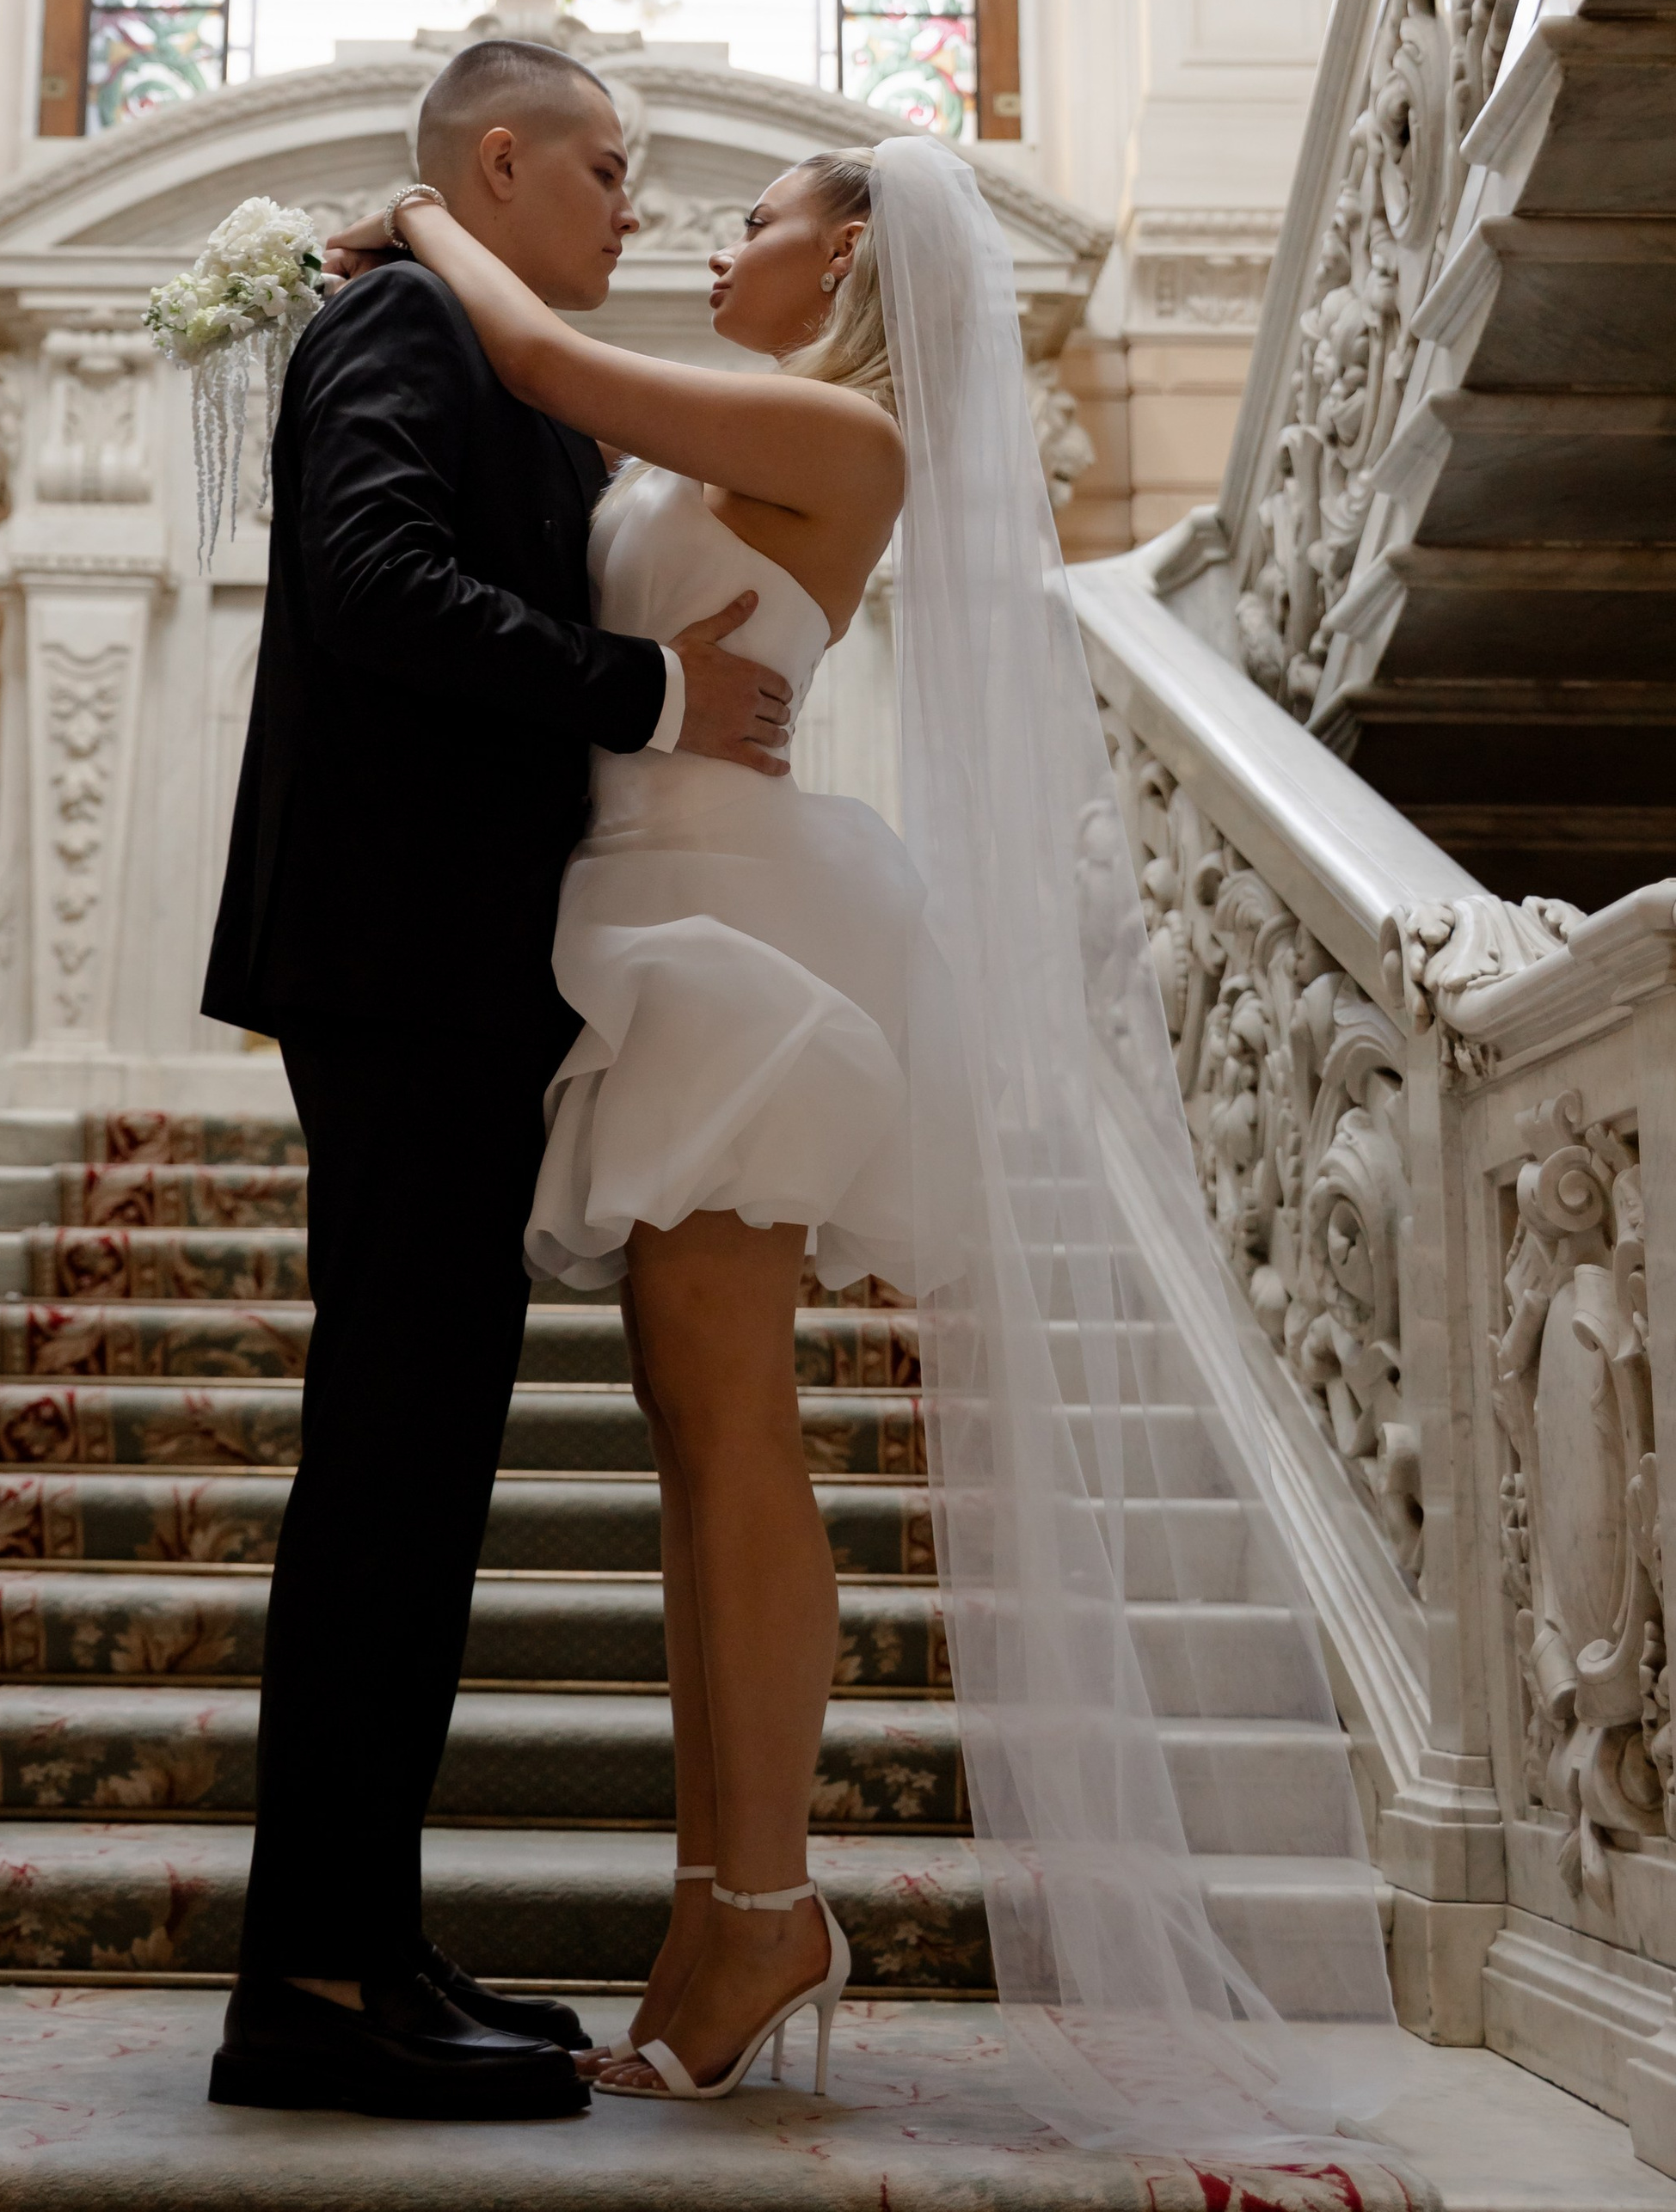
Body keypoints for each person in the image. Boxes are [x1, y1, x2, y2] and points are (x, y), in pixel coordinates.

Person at [327, 132, 1397, 2143]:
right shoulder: (741, 433)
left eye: (756, 219)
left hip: (733, 942)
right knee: (690, 1430)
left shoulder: (846, 451)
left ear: (847, 264)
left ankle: (759, 1910)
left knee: (729, 1432)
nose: (718, 239)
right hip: (653, 907)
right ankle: (723, 1906)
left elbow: (545, 369)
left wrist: (422, 225)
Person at [202, 37, 795, 2125]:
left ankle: (368, 1940)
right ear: (502, 158)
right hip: (393, 965)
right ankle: (308, 1989)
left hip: (456, 978)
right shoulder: (395, 315)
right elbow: (370, 581)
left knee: (422, 1470)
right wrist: (645, 688)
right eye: (610, 171)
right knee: (383, 1469)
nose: (634, 207)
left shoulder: (499, 346)